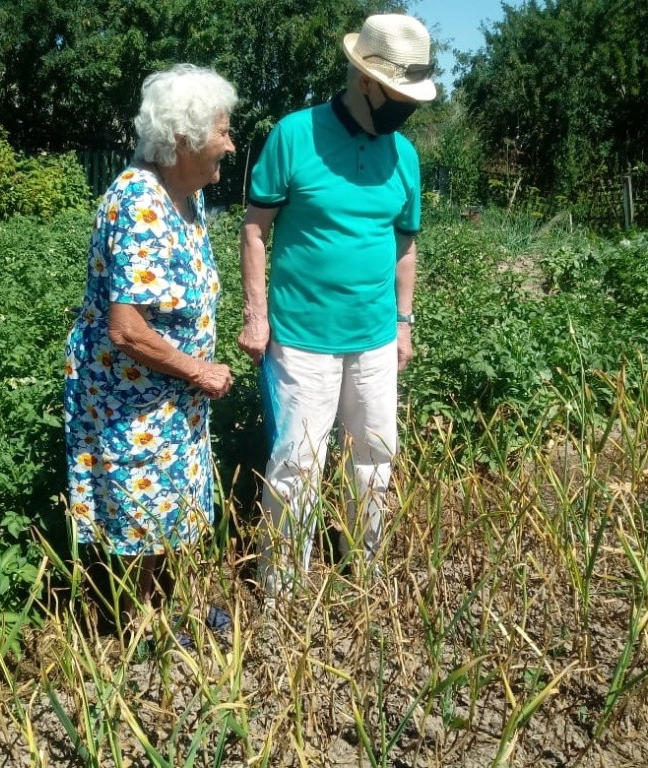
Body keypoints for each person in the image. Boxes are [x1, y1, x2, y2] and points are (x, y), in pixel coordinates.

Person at [237, 14, 436, 601]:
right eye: (399, 94)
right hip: (299, 338)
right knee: (296, 465)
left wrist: (403, 322)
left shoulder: (405, 156)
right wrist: (256, 316)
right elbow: (254, 229)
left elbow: (405, 245)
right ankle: (284, 593)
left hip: (374, 337)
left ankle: (365, 573)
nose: (407, 108)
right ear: (365, 78)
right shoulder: (293, 136)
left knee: (375, 459)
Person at [64, 63, 236, 634]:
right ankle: (144, 627)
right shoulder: (140, 202)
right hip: (132, 396)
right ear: (184, 139)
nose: (229, 146)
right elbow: (128, 328)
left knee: (168, 504)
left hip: (169, 395)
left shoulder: (185, 197)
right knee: (140, 510)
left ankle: (169, 611)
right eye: (223, 131)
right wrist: (199, 370)